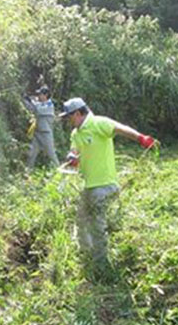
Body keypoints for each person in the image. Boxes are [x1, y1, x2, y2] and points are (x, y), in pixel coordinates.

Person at [60, 97, 158, 277]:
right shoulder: (76, 133)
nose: (68, 121)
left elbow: (120, 129)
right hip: (88, 185)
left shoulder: (99, 123)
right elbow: (75, 150)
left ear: (78, 113)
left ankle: (101, 265)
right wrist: (72, 158)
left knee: (97, 224)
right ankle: (86, 255)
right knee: (81, 219)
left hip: (104, 185)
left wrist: (140, 138)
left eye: (69, 117)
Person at [22, 85, 59, 168]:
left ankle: (59, 171)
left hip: (46, 134)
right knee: (31, 154)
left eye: (40, 94)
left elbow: (38, 110)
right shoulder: (39, 104)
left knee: (51, 154)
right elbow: (31, 108)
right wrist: (25, 100)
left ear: (46, 95)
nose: (39, 96)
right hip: (37, 132)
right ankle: (28, 172)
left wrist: (31, 100)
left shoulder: (50, 105)